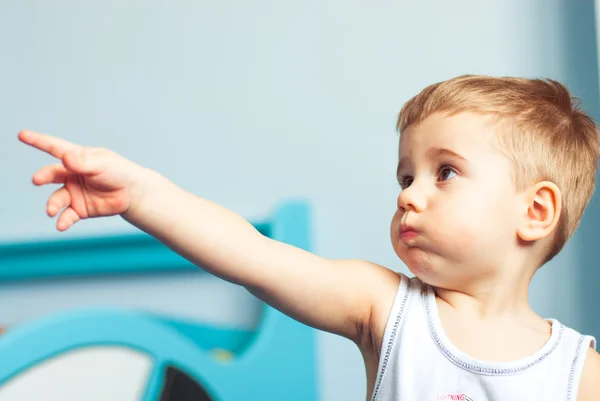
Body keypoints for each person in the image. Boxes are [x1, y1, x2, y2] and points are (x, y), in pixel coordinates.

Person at [18, 75, 600, 400]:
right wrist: (143, 196)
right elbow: (255, 257)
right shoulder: (385, 308)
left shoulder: (579, 372)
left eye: (443, 172)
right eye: (405, 176)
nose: (408, 195)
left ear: (536, 211)